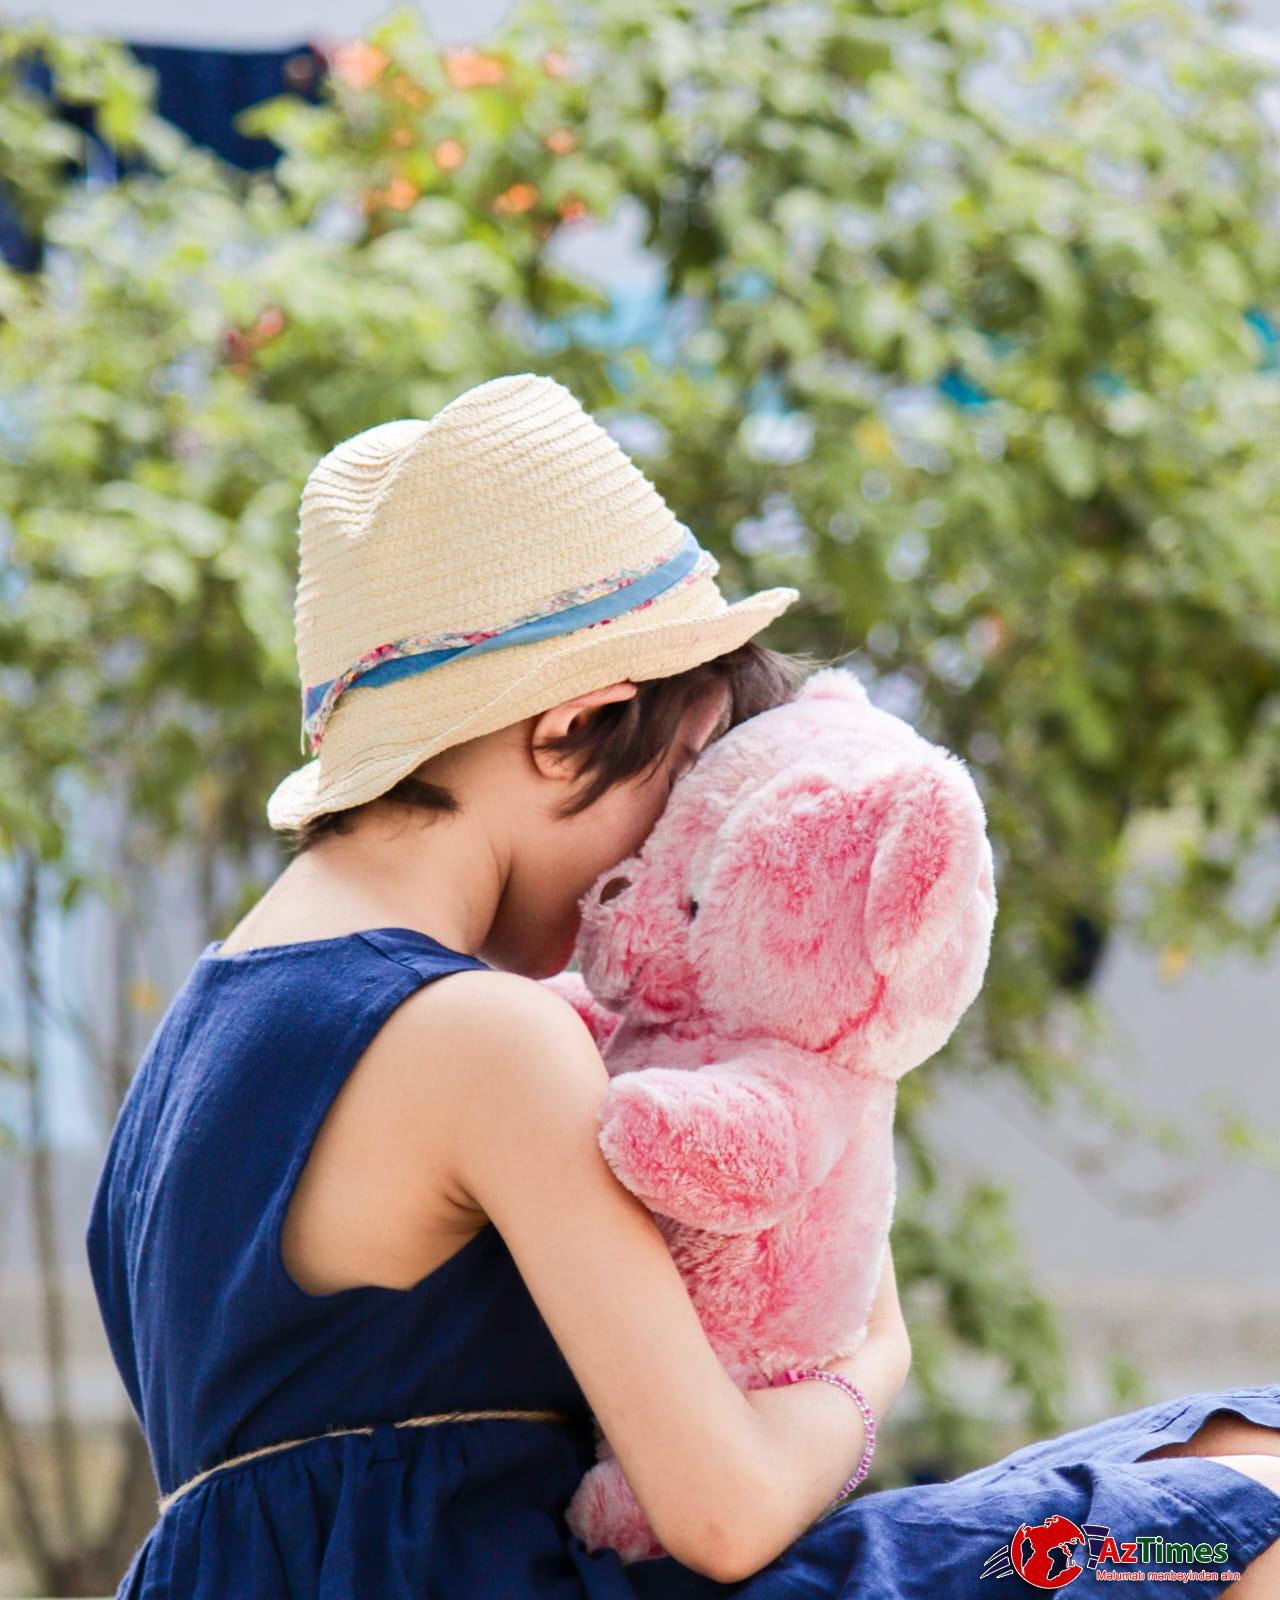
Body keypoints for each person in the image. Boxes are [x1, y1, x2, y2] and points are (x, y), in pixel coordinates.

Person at [87, 373, 1280, 1597]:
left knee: (1226, 1444)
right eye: (687, 776)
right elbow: (722, 1511)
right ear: (571, 730)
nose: (674, 845)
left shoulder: (190, 1045)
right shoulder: (481, 1038)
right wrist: (871, 1354)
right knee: (1217, 1520)